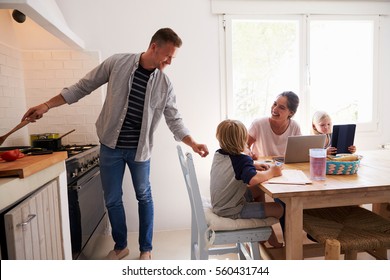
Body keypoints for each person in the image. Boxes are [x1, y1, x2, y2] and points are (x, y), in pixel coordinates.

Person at [21, 28, 209, 260]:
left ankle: (146, 249)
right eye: (167, 56)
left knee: (144, 196)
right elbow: (82, 87)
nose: (170, 62)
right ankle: (121, 246)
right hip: (110, 146)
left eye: (172, 58)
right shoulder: (117, 63)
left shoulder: (165, 84)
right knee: (112, 198)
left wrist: (193, 142)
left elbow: (174, 119)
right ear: (154, 47)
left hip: (140, 151)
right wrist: (47, 105)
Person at [210, 119, 284, 248]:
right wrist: (273, 172)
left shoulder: (219, 153)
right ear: (241, 140)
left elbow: (234, 166)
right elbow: (253, 179)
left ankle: (267, 237)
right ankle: (269, 235)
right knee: (279, 209)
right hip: (232, 209)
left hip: (222, 203)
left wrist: (253, 165)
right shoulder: (242, 159)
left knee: (259, 190)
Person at [247, 91, 301, 159]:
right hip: (262, 165)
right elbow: (245, 145)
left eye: (281, 107)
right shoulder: (258, 124)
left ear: (291, 113)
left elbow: (299, 151)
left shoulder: (295, 127)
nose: (274, 109)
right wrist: (250, 154)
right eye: (275, 104)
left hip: (285, 166)